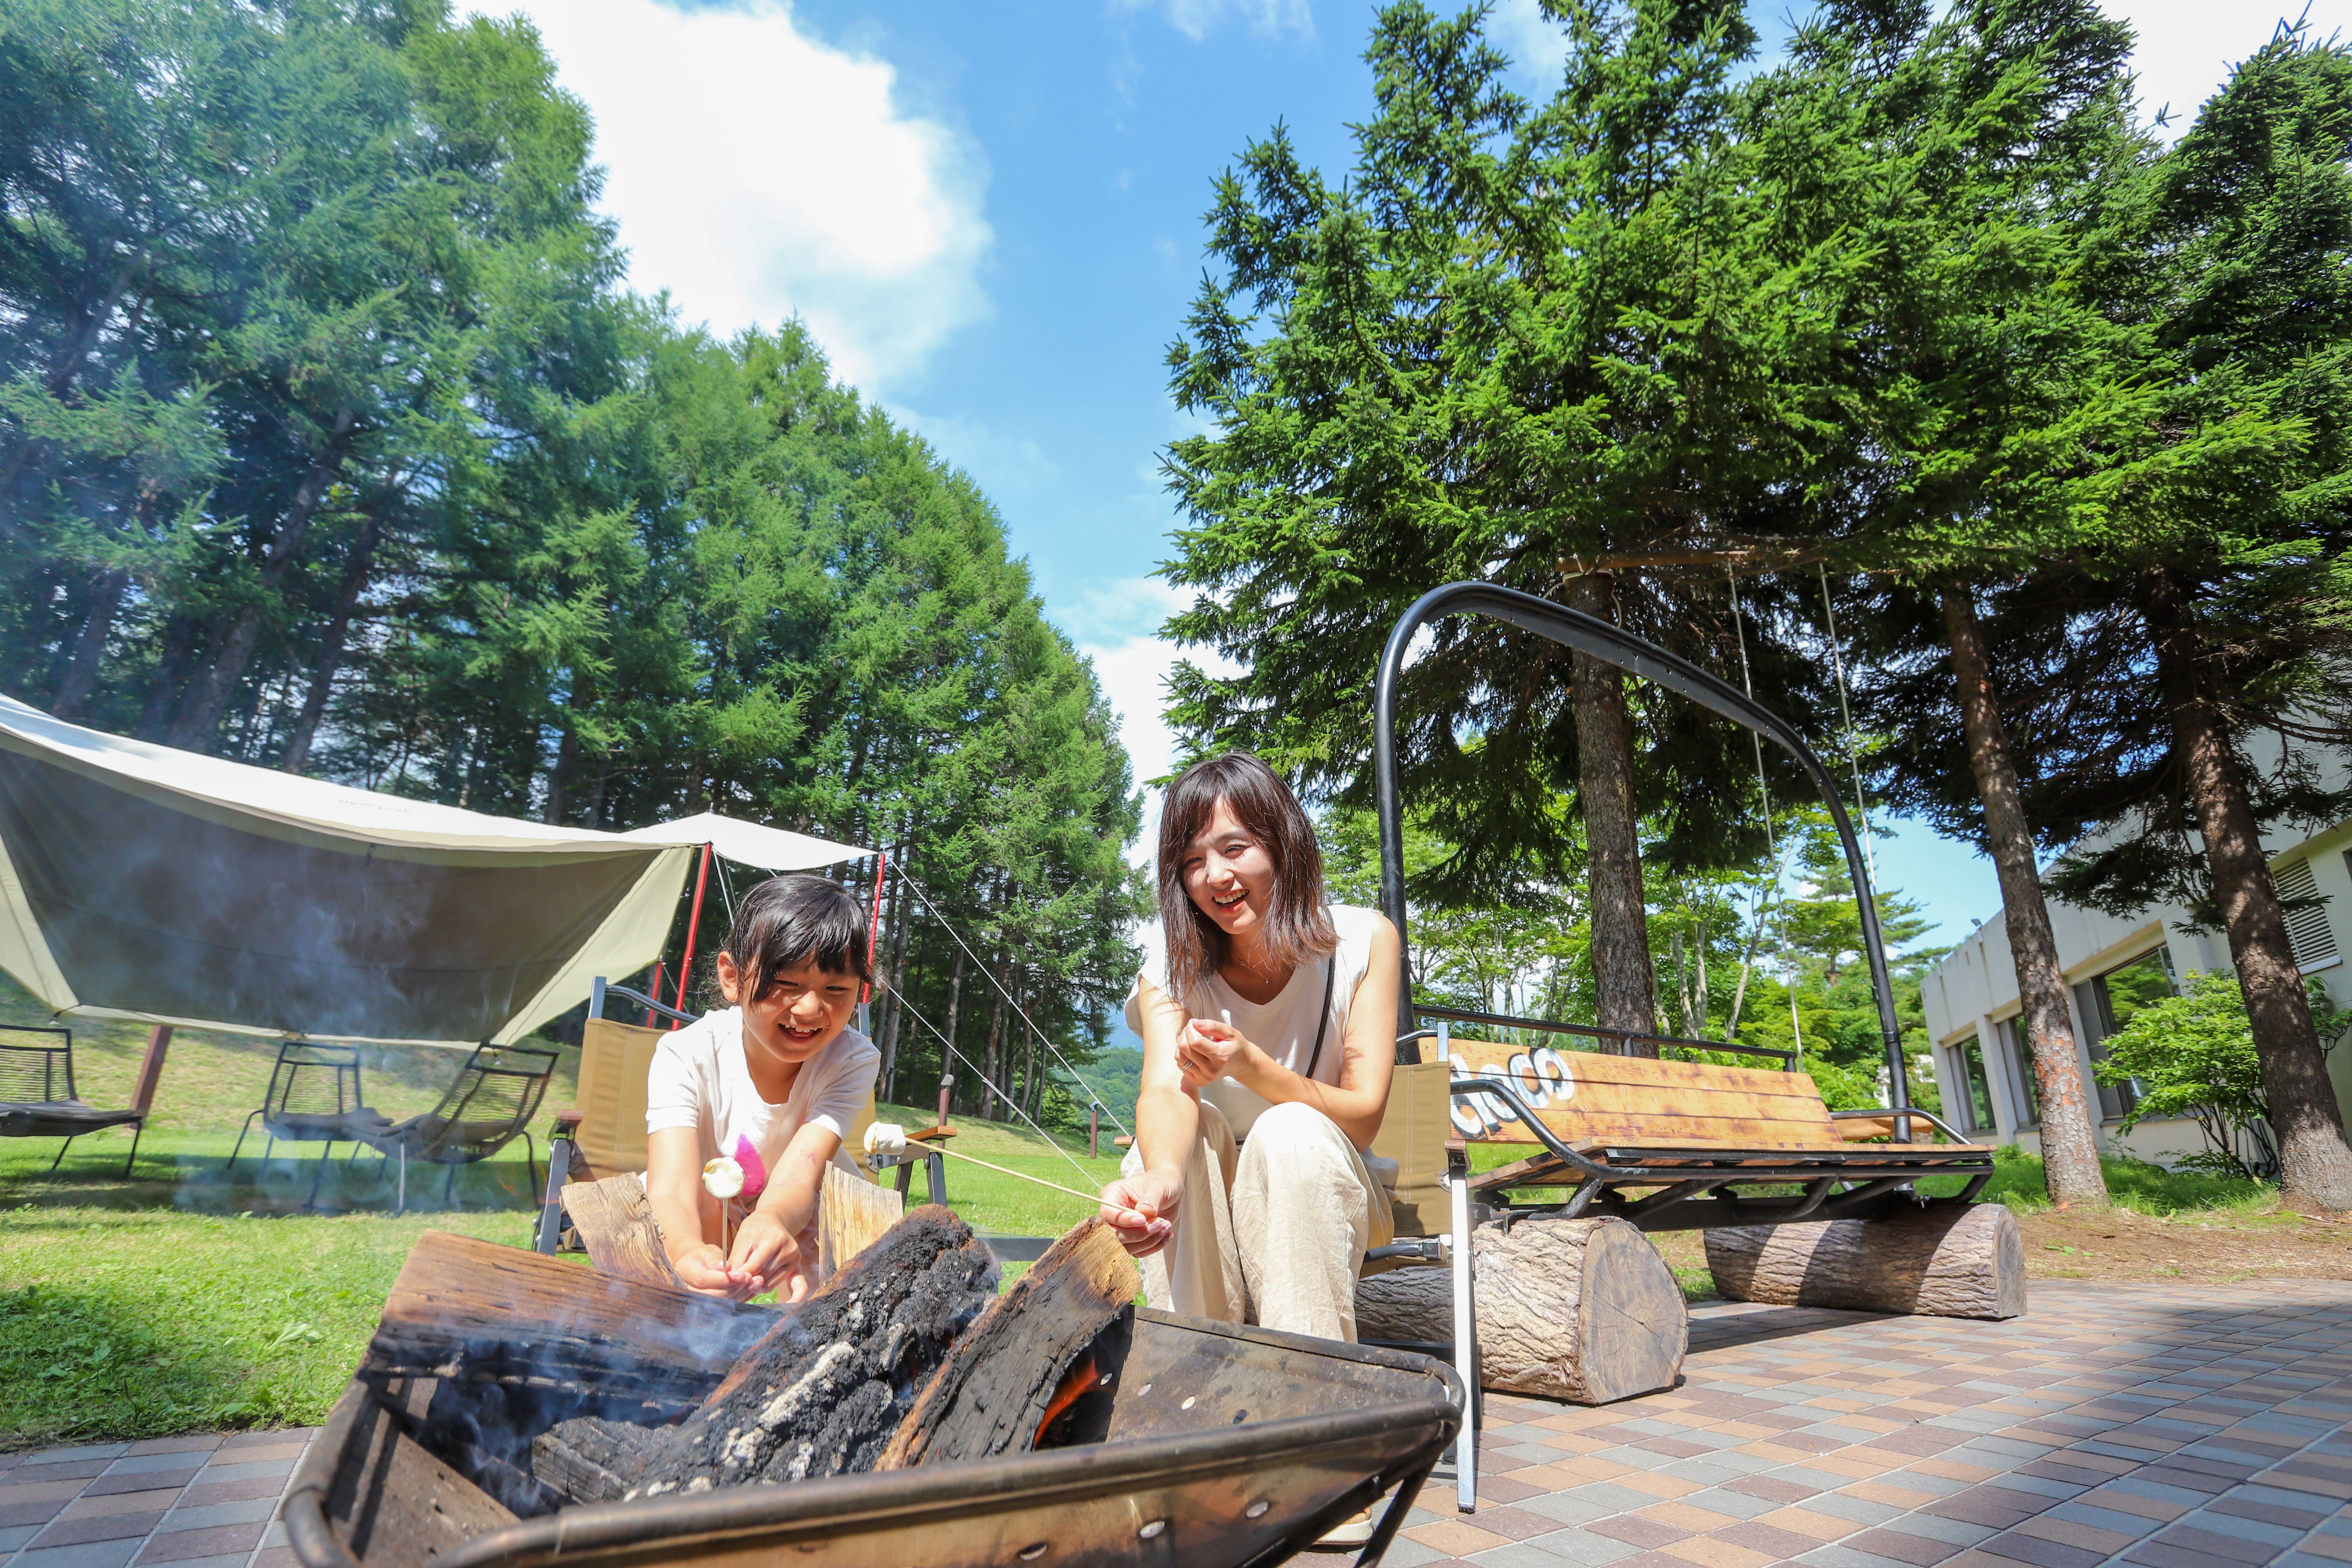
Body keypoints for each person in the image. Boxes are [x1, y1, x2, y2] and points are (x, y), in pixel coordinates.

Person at [1098, 750, 1403, 1344]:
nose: (1215, 876)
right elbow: (1166, 1089)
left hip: (1322, 1192)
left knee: (1289, 1130)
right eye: (1193, 861)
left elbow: (1364, 1118)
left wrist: (1250, 1065)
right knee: (1171, 1146)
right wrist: (1161, 1174)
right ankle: (1195, 1383)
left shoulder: (1364, 942)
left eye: (1235, 849)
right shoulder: (1170, 969)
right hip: (1211, 1208)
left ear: (1283, 845)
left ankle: (1308, 1403)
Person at [645, 873, 879, 1302]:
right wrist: (686, 1250)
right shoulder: (685, 1054)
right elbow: (670, 1185)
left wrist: (770, 1217)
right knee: (682, 1235)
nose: (810, 1008)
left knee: (832, 1299)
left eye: (837, 989)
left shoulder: (851, 1060)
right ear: (732, 977)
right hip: (708, 1204)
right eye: (787, 983)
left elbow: (801, 1174)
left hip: (809, 1209)